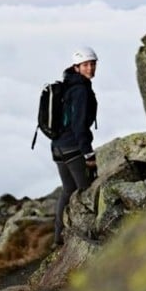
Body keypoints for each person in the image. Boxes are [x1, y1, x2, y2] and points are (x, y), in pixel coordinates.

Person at [51, 47, 99, 245]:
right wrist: (88, 154)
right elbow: (79, 125)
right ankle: (88, 235)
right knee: (85, 189)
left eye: (93, 64)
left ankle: (58, 237)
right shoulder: (80, 90)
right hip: (72, 147)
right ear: (76, 67)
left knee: (68, 189)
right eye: (86, 65)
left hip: (57, 147)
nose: (90, 68)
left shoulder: (68, 84)